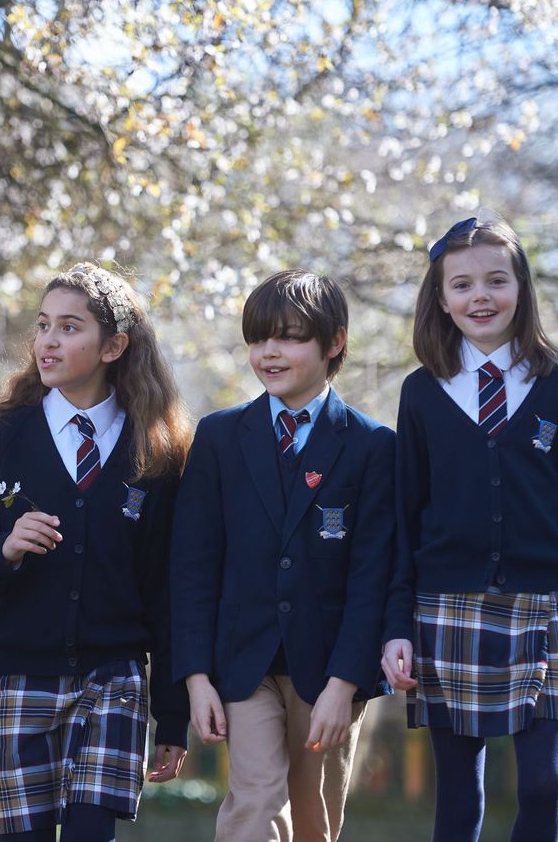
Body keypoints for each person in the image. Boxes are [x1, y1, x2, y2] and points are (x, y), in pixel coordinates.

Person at [381, 217, 558, 842]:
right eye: (461, 284)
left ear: (521, 287)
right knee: (460, 800)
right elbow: (403, 521)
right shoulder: (422, 392)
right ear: (441, 296)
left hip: (539, 614)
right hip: (444, 610)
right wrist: (396, 626)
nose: (479, 296)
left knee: (545, 787)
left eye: (495, 280)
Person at [0, 263, 191, 841]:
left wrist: (173, 717)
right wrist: (4, 548)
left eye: (69, 328)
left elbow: (166, 591)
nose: (48, 342)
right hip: (17, 670)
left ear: (114, 345)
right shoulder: (5, 434)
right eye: (43, 325)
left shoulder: (154, 449)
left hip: (115, 678)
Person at [171, 269, 395, 842]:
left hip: (329, 670)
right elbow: (192, 566)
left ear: (335, 342)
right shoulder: (219, 438)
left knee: (315, 821)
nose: (270, 352)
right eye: (258, 338)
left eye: (291, 337)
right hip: (243, 664)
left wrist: (346, 685)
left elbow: (373, 576)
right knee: (256, 801)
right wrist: (196, 677)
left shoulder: (373, 447)